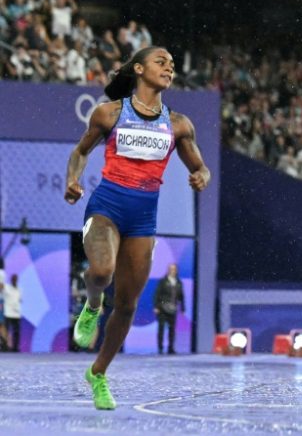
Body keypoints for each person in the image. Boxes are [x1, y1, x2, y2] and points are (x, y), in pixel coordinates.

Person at [64, 46, 210, 410]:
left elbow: (199, 165)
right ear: (140, 68)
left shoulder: (178, 124)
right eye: (162, 62)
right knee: (101, 270)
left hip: (144, 217)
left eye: (173, 65)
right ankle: (93, 303)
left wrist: (201, 175)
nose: (169, 68)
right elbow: (81, 151)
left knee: (128, 305)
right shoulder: (110, 113)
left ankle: (98, 374)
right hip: (107, 207)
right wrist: (73, 179)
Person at [153, 263, 185, 354]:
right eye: (171, 269)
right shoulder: (163, 281)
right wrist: (156, 306)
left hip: (173, 308)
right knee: (161, 328)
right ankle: (160, 347)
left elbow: (181, 297)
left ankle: (171, 347)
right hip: (162, 307)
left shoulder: (178, 282)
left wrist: (183, 308)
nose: (172, 271)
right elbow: (157, 294)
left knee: (172, 329)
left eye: (174, 269)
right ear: (168, 270)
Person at [3, 274, 21, 352]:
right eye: (13, 279)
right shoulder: (7, 288)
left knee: (16, 332)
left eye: (15, 279)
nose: (14, 280)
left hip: (16, 314)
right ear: (11, 280)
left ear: (17, 280)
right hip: (8, 313)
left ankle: (15, 348)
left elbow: (19, 300)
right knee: (6, 331)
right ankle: (5, 347)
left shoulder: (20, 289)